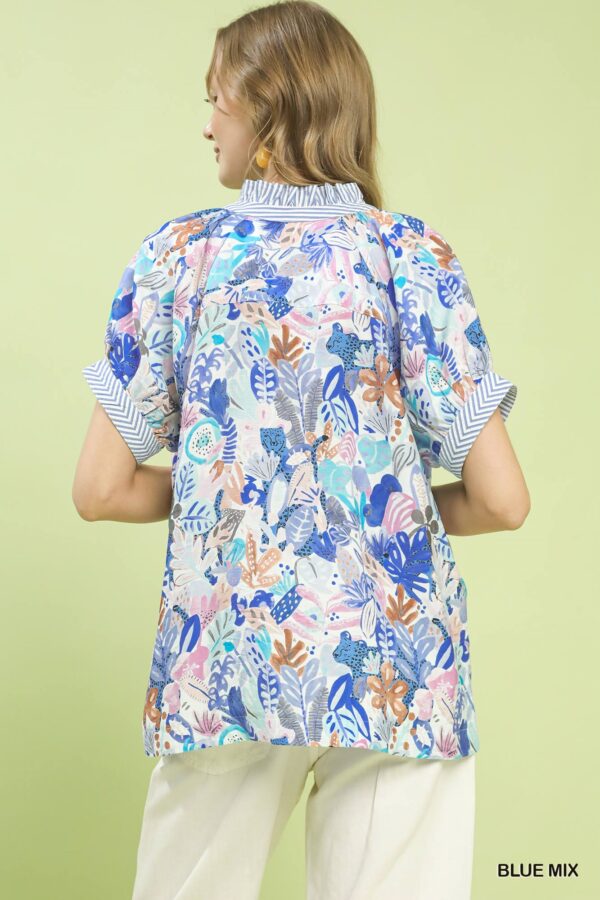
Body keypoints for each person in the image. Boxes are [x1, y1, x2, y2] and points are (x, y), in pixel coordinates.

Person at [72, 2, 530, 898]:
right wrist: (370, 506)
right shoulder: (412, 258)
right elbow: (503, 501)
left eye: (217, 99)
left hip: (229, 660)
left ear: (268, 109)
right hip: (400, 669)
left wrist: (230, 487)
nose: (207, 123)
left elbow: (100, 489)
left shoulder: (181, 258)